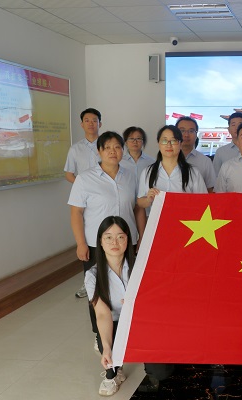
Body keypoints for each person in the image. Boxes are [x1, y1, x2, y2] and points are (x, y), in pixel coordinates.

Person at [68, 131, 145, 352]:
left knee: (128, 286)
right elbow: (76, 213)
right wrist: (80, 243)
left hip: (126, 243)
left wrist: (141, 236)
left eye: (117, 147)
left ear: (123, 150)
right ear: (99, 151)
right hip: (97, 245)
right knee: (98, 290)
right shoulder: (84, 179)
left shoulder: (130, 176)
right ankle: (99, 334)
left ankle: (128, 330)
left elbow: (138, 208)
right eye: (107, 147)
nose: (113, 151)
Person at [86, 216, 134, 396]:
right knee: (105, 345)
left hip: (138, 320)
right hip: (113, 322)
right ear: (100, 241)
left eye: (120, 237)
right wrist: (107, 347)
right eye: (108, 237)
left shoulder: (140, 266)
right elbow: (102, 314)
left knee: (160, 373)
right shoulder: (93, 275)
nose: (115, 242)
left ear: (127, 239)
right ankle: (112, 373)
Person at [65, 107, 103, 298]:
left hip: (105, 198)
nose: (91, 123)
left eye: (94, 120)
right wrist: (84, 187)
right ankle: (88, 283)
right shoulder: (75, 149)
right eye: (87, 120)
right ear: (81, 124)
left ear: (100, 123)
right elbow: (69, 174)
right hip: (85, 201)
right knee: (87, 238)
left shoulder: (106, 145)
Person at [137, 125, 207, 209]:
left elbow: (204, 201)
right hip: (157, 217)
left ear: (180, 144)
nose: (169, 145)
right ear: (159, 144)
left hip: (184, 217)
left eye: (173, 141)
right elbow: (140, 202)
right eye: (164, 141)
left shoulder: (193, 173)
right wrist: (148, 200)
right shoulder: (147, 172)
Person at [176, 116, 216, 193]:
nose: (186, 135)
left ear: (196, 134)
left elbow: (210, 190)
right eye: (182, 130)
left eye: (191, 131)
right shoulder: (166, 159)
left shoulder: (205, 161)